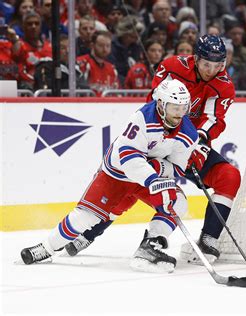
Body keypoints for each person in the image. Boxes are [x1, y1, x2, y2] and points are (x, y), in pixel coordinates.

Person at [63, 35, 241, 265]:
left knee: (229, 176)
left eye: (218, 65)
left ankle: (207, 238)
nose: (212, 70)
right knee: (130, 185)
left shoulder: (224, 85)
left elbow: (213, 119)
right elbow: (155, 107)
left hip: (187, 145)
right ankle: (90, 232)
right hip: (157, 140)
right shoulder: (172, 67)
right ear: (196, 58)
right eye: (207, 64)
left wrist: (200, 144)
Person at [21, 79, 199, 274]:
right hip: (118, 173)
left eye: (183, 108)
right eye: (174, 108)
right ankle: (47, 248)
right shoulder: (142, 118)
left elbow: (177, 169)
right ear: (161, 105)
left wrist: (158, 168)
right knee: (85, 217)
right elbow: (128, 158)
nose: (179, 114)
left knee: (179, 203)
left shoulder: (188, 133)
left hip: (149, 176)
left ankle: (150, 246)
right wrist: (154, 179)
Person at [77, 30, 119, 96]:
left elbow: (117, 93)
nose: (105, 49)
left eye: (108, 46)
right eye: (101, 45)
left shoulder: (111, 68)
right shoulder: (82, 63)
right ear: (92, 45)